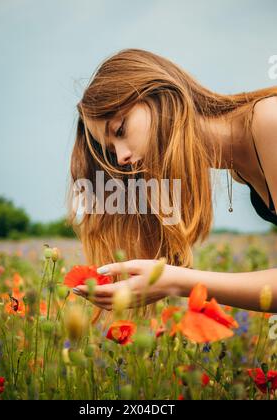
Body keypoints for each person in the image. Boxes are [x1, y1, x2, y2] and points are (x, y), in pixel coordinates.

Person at [67, 48, 277, 320]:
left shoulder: (269, 121)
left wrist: (176, 281)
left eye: (120, 130)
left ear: (161, 94)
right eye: (111, 150)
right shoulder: (239, 167)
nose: (121, 157)